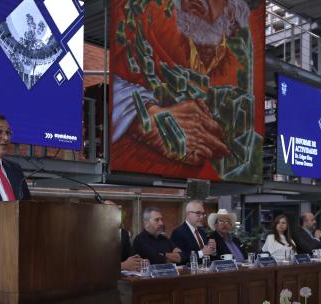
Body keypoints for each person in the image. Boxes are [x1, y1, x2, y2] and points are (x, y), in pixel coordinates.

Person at [111, 0, 265, 182]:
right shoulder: (147, 20)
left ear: (231, 13)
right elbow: (108, 81)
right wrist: (144, 116)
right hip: (136, 166)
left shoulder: (240, 57)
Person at [103, 200, 142, 272]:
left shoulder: (123, 233)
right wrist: (122, 266)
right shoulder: (91, 234)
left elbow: (130, 256)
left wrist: (138, 262)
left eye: (117, 212)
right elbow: (92, 265)